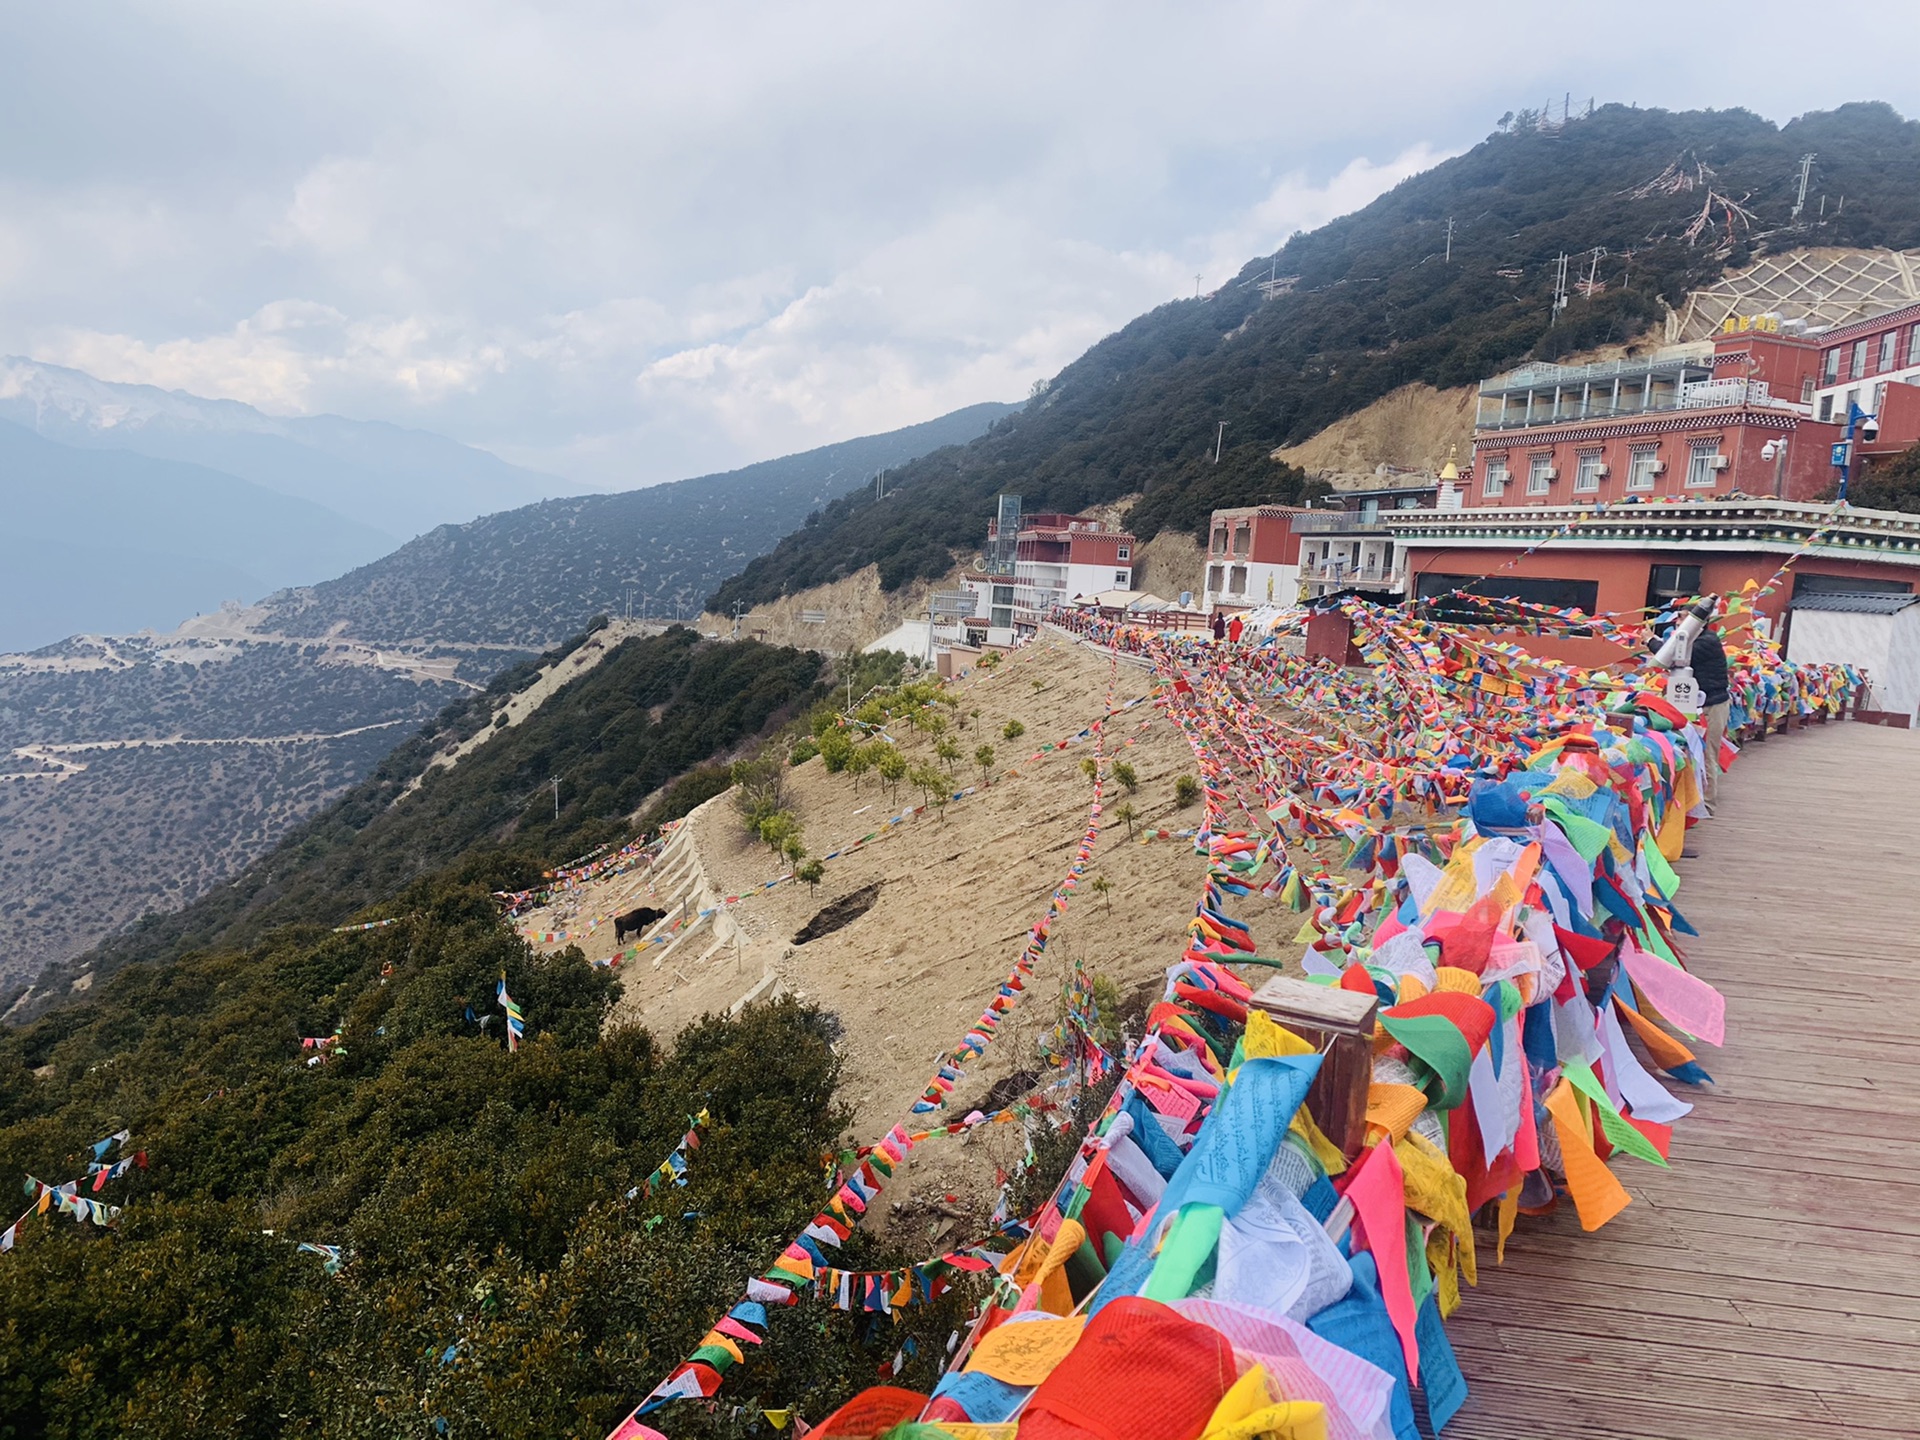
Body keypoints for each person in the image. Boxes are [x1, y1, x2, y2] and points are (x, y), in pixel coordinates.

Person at [1691, 620, 1730, 802]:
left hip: (1713, 704)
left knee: (1708, 753)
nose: (1677, 622)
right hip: (1698, 703)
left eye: (1683, 618)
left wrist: (1651, 640)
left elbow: (1678, 655)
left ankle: (1707, 803)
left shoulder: (1706, 642)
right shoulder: (1696, 640)